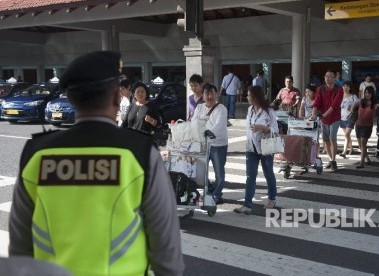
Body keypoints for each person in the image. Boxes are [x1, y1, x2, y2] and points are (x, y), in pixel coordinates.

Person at [8, 51, 184, 275]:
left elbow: (20, 246)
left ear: (71, 99)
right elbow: (166, 249)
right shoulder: (140, 154)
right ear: (116, 97)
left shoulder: (37, 155)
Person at [234, 85, 279, 215]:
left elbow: (275, 130)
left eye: (248, 95)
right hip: (251, 147)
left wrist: (263, 128)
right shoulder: (249, 110)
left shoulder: (268, 111)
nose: (247, 97)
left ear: (255, 97)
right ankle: (247, 205)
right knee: (250, 176)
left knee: (268, 174)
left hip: (265, 146)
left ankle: (272, 199)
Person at [191, 83, 228, 204]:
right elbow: (194, 122)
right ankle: (210, 189)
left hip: (218, 145)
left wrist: (208, 132)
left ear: (216, 94)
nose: (210, 96)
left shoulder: (221, 108)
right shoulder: (199, 108)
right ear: (202, 95)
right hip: (203, 144)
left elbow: (220, 125)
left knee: (219, 172)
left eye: (212, 93)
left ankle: (217, 195)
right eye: (207, 93)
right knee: (201, 171)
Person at [311, 70, 343, 171]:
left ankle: (333, 161)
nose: (327, 78)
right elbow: (317, 102)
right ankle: (330, 159)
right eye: (326, 76)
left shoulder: (339, 89)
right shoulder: (320, 89)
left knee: (332, 138)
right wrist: (313, 114)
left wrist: (324, 114)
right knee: (326, 140)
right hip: (323, 118)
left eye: (330, 76)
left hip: (334, 117)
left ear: (334, 78)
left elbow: (334, 105)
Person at [351, 86, 377, 168]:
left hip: (367, 126)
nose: (367, 94)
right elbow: (352, 108)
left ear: (372, 94)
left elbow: (375, 114)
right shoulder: (360, 101)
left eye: (369, 93)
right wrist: (353, 109)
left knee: (363, 144)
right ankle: (367, 158)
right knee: (360, 145)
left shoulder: (375, 104)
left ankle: (362, 162)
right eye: (365, 92)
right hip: (358, 125)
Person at [339, 81, 358, 158]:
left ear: (350, 88)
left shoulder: (353, 97)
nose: (345, 88)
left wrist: (353, 108)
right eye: (344, 86)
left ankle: (344, 152)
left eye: (347, 86)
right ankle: (351, 148)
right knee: (347, 135)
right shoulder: (340, 96)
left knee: (346, 134)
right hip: (342, 118)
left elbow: (359, 105)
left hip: (351, 118)